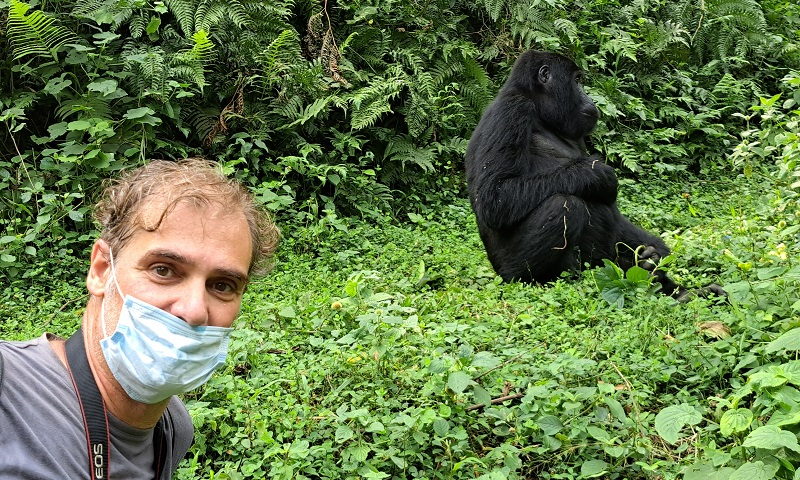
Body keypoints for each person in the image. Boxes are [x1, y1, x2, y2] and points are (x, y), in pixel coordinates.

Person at [0, 158, 280, 479]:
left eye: (222, 285)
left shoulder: (174, 427)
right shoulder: (8, 388)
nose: (194, 310)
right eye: (163, 270)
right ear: (102, 270)